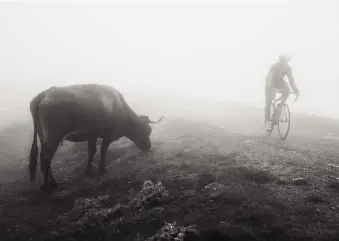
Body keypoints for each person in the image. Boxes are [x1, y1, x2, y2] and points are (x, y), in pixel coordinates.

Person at [264, 55, 300, 131]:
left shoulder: (288, 68)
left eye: (287, 61)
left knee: (287, 89)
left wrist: (296, 90)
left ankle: (280, 106)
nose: (285, 63)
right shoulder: (274, 67)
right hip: (269, 82)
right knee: (268, 102)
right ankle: (267, 121)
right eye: (284, 61)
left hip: (279, 81)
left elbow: (291, 80)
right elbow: (270, 79)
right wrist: (272, 90)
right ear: (280, 61)